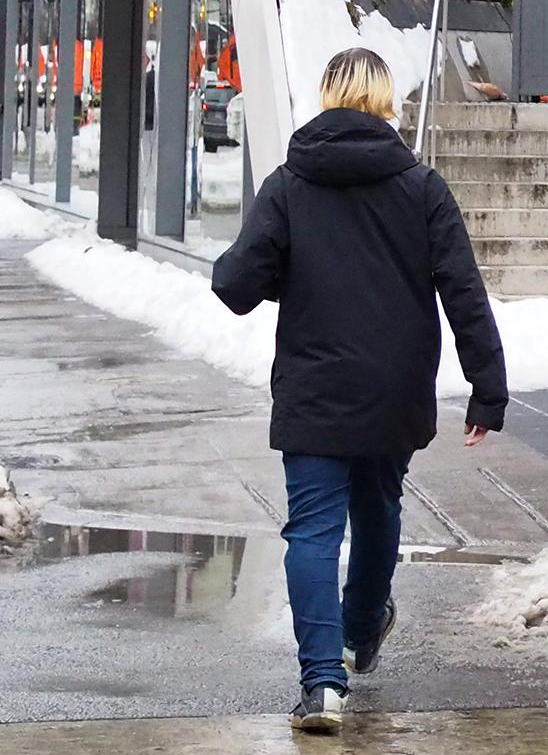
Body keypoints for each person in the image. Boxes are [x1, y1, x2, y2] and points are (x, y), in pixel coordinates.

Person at [213, 48, 508, 735]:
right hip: (393, 387)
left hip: (316, 384)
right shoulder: (421, 187)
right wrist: (486, 388)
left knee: (313, 530)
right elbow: (463, 291)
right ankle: (364, 627)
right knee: (377, 506)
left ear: (327, 96)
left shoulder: (291, 184)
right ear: (385, 102)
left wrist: (259, 255)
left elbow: (235, 287)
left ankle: (322, 686)